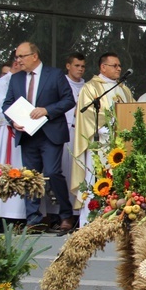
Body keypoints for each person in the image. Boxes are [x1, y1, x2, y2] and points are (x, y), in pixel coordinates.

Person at [2, 42, 76, 233]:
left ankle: (66, 215)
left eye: (21, 56)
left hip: (50, 133)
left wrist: (47, 110)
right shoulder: (16, 78)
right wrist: (13, 122)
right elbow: (7, 105)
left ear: (34, 56)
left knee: (52, 173)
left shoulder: (55, 74)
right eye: (17, 57)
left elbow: (68, 100)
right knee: (30, 177)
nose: (18, 60)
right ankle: (34, 220)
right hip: (27, 135)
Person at [71, 52, 134, 226]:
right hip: (100, 144)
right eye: (115, 65)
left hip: (120, 145)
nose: (119, 69)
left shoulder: (124, 89)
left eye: (120, 66)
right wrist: (111, 124)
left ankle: (117, 217)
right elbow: (87, 114)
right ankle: (92, 219)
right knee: (96, 179)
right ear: (103, 67)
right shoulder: (91, 88)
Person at [0, 53, 26, 221]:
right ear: (16, 63)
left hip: (27, 131)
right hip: (11, 130)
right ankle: (5, 212)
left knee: (23, 170)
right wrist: (15, 120)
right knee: (8, 168)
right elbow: (0, 107)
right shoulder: (4, 81)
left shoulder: (25, 79)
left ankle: (21, 213)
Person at [60, 52, 86, 225]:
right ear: (68, 66)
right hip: (64, 132)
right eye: (77, 66)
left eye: (83, 66)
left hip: (81, 134)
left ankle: (79, 213)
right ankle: (63, 213)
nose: (80, 69)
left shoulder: (88, 86)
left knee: (79, 173)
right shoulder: (60, 83)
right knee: (65, 172)